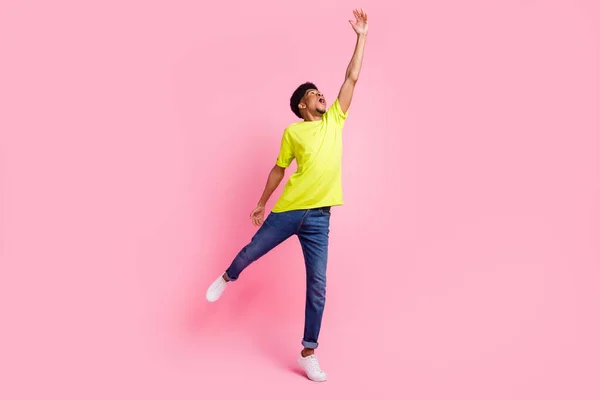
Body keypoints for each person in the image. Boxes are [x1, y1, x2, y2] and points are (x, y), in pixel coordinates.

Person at [206, 9, 369, 382]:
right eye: (314, 94)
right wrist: (263, 202)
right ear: (301, 106)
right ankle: (227, 278)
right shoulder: (293, 133)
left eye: (321, 93)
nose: (322, 96)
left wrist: (361, 36)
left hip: (319, 219)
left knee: (318, 286)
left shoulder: (335, 120)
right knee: (250, 251)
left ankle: (309, 351)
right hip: (288, 211)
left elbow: (352, 76)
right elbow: (279, 169)